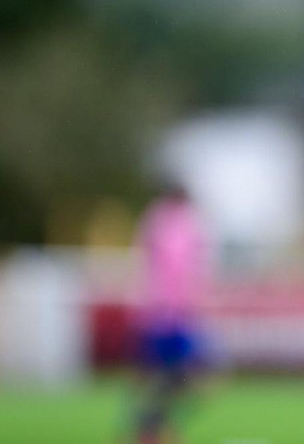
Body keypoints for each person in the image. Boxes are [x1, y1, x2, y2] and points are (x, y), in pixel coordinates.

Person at [130, 183, 211, 444]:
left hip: (174, 314)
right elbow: (172, 270)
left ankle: (152, 428)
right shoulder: (166, 223)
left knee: (177, 380)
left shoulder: (170, 222)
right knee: (177, 378)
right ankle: (150, 429)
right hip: (165, 316)